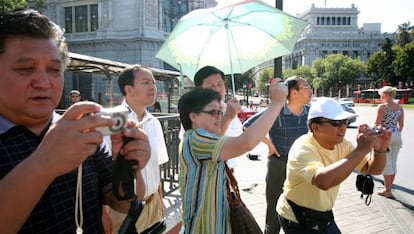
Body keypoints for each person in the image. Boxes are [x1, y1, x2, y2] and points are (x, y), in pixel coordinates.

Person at [0, 9, 150, 233]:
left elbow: (122, 203)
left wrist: (128, 167)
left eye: (53, 69)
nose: (43, 82)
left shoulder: (81, 132)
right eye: (25, 69)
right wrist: (42, 164)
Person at [178, 79, 288, 233]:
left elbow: (227, 138)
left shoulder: (201, 139)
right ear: (193, 117)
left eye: (219, 112)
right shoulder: (196, 138)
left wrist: (228, 115)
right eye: (213, 112)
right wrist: (276, 104)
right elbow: (245, 143)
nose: (218, 117)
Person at [276, 97, 391, 233]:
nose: (343, 127)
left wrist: (380, 150)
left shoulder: (343, 144)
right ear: (316, 127)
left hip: (323, 215)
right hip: (297, 218)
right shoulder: (303, 148)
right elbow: (323, 181)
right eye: (336, 123)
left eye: (345, 122)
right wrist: (361, 150)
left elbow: (371, 169)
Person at [243, 76, 312, 233]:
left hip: (303, 166)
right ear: (293, 92)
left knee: (302, 208)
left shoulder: (311, 112)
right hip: (279, 164)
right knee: (274, 208)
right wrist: (269, 144)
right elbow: (248, 127)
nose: (310, 91)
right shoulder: (276, 111)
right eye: (306, 88)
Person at [105, 65, 169, 233]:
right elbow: (101, 172)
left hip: (152, 204)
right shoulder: (113, 121)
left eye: (154, 82)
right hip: (123, 209)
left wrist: (159, 201)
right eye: (146, 82)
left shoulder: (154, 123)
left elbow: (157, 167)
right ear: (129, 89)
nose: (153, 87)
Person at [192, 65, 243, 170]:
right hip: (206, 175)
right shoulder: (195, 113)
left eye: (220, 84)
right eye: (211, 86)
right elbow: (209, 144)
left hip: (228, 172)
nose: (217, 89)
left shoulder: (228, 108)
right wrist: (228, 117)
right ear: (199, 89)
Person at [374, 86, 404, 198]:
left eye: (381, 95)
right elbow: (401, 125)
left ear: (386, 95)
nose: (381, 97)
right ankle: (389, 188)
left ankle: (387, 190)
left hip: (386, 136)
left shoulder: (382, 107)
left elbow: (377, 124)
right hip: (397, 135)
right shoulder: (400, 107)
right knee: (393, 162)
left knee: (386, 164)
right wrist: (396, 132)